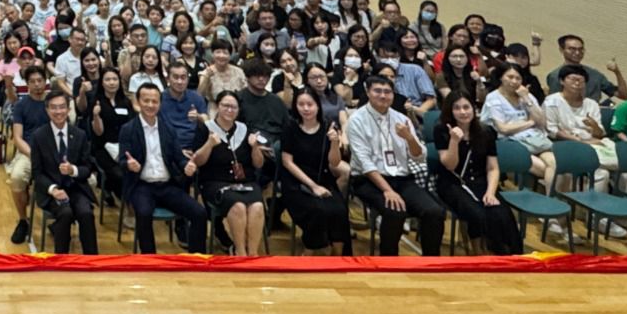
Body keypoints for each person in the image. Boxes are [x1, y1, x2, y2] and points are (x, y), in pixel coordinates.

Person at [348, 76, 446, 256]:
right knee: (395, 212)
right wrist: (387, 190)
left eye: (387, 92)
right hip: (368, 180)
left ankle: (431, 262)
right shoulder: (357, 120)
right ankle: (389, 261)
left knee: (434, 211)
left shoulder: (401, 118)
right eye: (378, 91)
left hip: (402, 179)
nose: (383, 96)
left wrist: (409, 138)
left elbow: (419, 157)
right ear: (368, 92)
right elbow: (365, 163)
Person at [117, 85, 207, 253]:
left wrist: (186, 166)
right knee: (143, 214)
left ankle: (197, 258)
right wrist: (129, 165)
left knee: (199, 213)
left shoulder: (168, 129)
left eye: (155, 101)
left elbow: (178, 157)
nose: (150, 105)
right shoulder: (128, 129)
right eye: (146, 101)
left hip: (167, 185)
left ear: (160, 103)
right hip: (141, 185)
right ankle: (150, 259)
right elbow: (122, 160)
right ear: (138, 102)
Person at [433, 93, 523, 255]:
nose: (463, 112)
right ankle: (479, 253)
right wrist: (454, 141)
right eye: (457, 108)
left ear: (473, 109)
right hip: (452, 182)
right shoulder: (442, 130)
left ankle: (507, 255)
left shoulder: (486, 131)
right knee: (476, 213)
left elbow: (493, 168)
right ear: (450, 111)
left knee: (502, 214)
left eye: (466, 107)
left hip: (481, 181)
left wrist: (491, 193)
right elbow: (450, 165)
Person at [189, 90, 267, 255]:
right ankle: (239, 252)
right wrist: (209, 144)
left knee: (258, 206)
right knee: (238, 206)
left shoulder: (244, 129)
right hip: (215, 182)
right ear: (218, 106)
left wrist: (255, 147)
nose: (229, 110)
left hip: (245, 182)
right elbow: (198, 161)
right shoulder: (206, 129)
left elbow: (258, 164)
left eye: (234, 107)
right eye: (225, 106)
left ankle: (253, 253)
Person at [278, 88, 351, 254]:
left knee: (339, 211)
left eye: (309, 104)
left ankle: (338, 256)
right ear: (295, 106)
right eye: (301, 104)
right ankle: (311, 250)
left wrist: (335, 142)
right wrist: (313, 186)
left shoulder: (328, 126)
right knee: (317, 210)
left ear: (317, 106)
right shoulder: (290, 127)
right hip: (296, 182)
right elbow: (287, 162)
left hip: (322, 178)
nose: (306, 108)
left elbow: (334, 162)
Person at [28, 91, 98, 254]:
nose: (58, 111)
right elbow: (37, 173)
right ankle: (61, 259)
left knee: (86, 213)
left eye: (62, 107)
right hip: (52, 191)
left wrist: (73, 170)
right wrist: (53, 190)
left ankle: (92, 259)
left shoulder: (79, 135)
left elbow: (87, 167)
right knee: (65, 213)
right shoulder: (38, 136)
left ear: (68, 109)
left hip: (76, 188)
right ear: (47, 110)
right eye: (54, 108)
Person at [480, 64, 556, 195]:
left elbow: (542, 122)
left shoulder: (526, 95)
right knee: (545, 170)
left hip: (536, 141)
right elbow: (503, 128)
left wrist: (526, 99)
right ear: (501, 78)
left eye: (518, 78)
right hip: (510, 143)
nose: (514, 81)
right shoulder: (493, 97)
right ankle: (547, 200)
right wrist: (530, 122)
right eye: (510, 77)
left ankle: (551, 201)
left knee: (554, 165)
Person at [5, 64, 52, 245]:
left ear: (45, 81)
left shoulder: (54, 103)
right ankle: (23, 220)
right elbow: (17, 138)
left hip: (52, 153)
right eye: (32, 81)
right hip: (28, 152)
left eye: (40, 80)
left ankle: (61, 220)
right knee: (17, 177)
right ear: (27, 84)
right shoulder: (21, 105)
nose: (37, 84)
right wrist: (33, 155)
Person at [87, 65, 132, 205]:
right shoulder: (96, 102)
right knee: (119, 175)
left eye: (115, 79)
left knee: (134, 170)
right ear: (102, 83)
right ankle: (126, 202)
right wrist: (96, 116)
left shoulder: (125, 102)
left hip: (124, 146)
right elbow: (98, 132)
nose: (112, 83)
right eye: (107, 79)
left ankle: (109, 188)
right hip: (103, 147)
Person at [545, 34, 627, 104]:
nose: (577, 53)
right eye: (572, 49)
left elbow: (623, 95)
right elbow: (555, 103)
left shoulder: (595, 75)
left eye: (580, 49)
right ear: (561, 50)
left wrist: (617, 72)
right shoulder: (555, 76)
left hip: (593, 115)